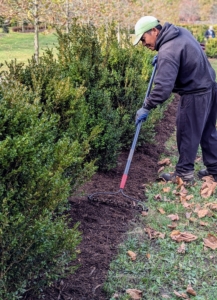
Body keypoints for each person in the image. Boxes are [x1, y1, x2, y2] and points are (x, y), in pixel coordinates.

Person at [133, 16, 217, 184]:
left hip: (195, 93)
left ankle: (184, 174)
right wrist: (168, 57)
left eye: (143, 38)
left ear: (154, 31)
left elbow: (163, 89)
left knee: (187, 132)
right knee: (207, 131)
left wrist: (147, 106)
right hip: (210, 86)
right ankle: (215, 169)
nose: (144, 44)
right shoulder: (180, 32)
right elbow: (194, 50)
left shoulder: (168, 50)